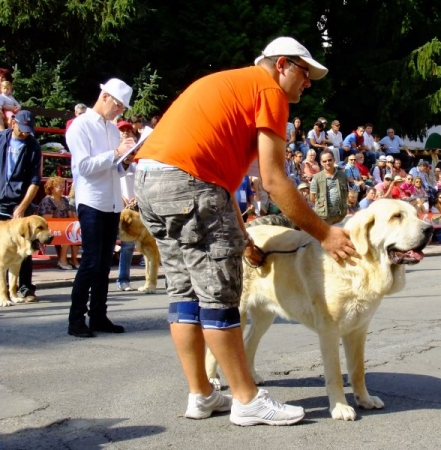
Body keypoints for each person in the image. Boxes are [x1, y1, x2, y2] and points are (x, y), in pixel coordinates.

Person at [133, 36, 356, 427]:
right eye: (305, 74)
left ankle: (201, 395)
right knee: (220, 294)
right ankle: (247, 399)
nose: (308, 83)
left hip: (152, 181)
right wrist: (325, 234)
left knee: (184, 295)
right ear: (283, 64)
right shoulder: (269, 90)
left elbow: (219, 183)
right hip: (191, 184)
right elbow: (274, 181)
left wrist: (244, 236)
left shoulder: (230, 83)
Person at [66, 78, 136, 338]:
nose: (120, 111)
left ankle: (98, 315)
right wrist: (116, 154)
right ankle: (76, 320)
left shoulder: (112, 128)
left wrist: (125, 161)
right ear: (105, 96)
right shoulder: (80, 126)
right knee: (92, 261)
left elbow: (113, 167)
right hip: (92, 200)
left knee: (104, 262)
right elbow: (83, 167)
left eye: (122, 108)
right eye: (119, 105)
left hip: (111, 200)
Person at [0, 110, 41, 299]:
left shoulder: (33, 146)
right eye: (22, 129)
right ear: (13, 122)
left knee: (25, 245)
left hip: (20, 200)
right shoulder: (1, 139)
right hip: (1, 197)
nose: (25, 133)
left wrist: (22, 207)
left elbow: (35, 180)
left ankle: (25, 287)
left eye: (28, 130)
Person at [115, 121, 139, 292]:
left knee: (128, 245)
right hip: (116, 204)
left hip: (132, 207)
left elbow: (139, 183)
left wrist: (135, 199)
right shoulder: (114, 159)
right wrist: (122, 198)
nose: (125, 133)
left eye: (128, 131)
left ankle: (124, 279)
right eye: (122, 131)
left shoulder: (136, 165)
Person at [37, 176, 80, 270]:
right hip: (51, 228)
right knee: (68, 235)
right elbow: (47, 221)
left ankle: (74, 259)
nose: (62, 189)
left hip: (64, 226)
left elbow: (70, 215)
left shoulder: (64, 200)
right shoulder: (47, 201)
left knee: (75, 232)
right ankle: (62, 260)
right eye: (59, 187)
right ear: (51, 188)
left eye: (62, 187)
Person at [310, 149, 349, 225]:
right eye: (324, 161)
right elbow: (312, 198)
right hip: (324, 218)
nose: (327, 163)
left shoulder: (343, 175)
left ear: (334, 160)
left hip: (340, 216)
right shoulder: (316, 178)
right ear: (321, 163)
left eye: (329, 160)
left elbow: (346, 193)